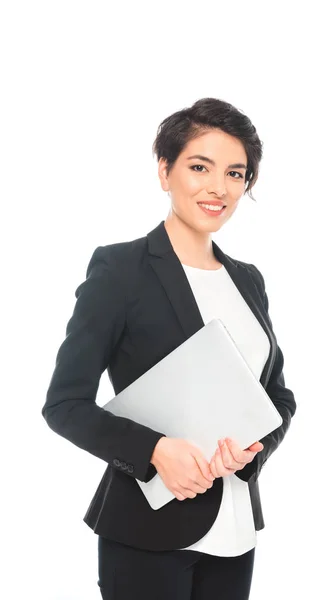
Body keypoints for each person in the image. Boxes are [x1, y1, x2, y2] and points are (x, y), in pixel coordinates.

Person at [42, 97, 297, 600]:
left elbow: (279, 398)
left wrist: (254, 450)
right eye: (199, 167)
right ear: (165, 170)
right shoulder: (121, 271)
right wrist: (155, 451)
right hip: (145, 533)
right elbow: (64, 405)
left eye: (235, 173)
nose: (218, 187)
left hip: (236, 532)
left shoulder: (248, 280)